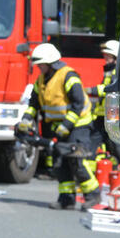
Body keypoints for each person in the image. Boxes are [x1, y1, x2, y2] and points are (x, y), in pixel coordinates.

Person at [14, 43, 101, 210]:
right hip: (59, 126)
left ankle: (93, 194)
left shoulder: (68, 76)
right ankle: (66, 199)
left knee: (76, 159)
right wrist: (26, 120)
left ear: (50, 63)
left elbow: (78, 104)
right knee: (59, 161)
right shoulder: (41, 80)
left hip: (79, 125)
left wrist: (66, 125)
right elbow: (33, 105)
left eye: (41, 64)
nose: (39, 68)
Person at [88, 39, 120, 171]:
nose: (105, 58)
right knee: (93, 143)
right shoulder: (109, 71)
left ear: (115, 57)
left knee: (117, 145)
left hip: (113, 115)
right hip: (102, 116)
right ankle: (91, 172)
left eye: (108, 56)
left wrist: (91, 90)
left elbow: (110, 88)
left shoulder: (118, 72)